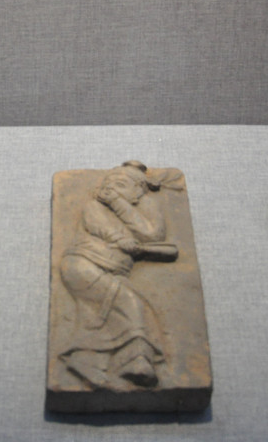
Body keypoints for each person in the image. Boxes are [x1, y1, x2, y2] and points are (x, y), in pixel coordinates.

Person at [58, 161, 178, 389]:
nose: (111, 188)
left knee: (103, 315)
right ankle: (135, 361)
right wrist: (119, 238)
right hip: (85, 263)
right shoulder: (95, 205)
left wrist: (119, 203)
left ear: (137, 192)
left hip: (114, 272)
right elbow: (97, 224)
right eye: (108, 183)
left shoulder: (139, 207)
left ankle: (87, 361)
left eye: (121, 185)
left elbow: (152, 235)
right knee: (129, 303)